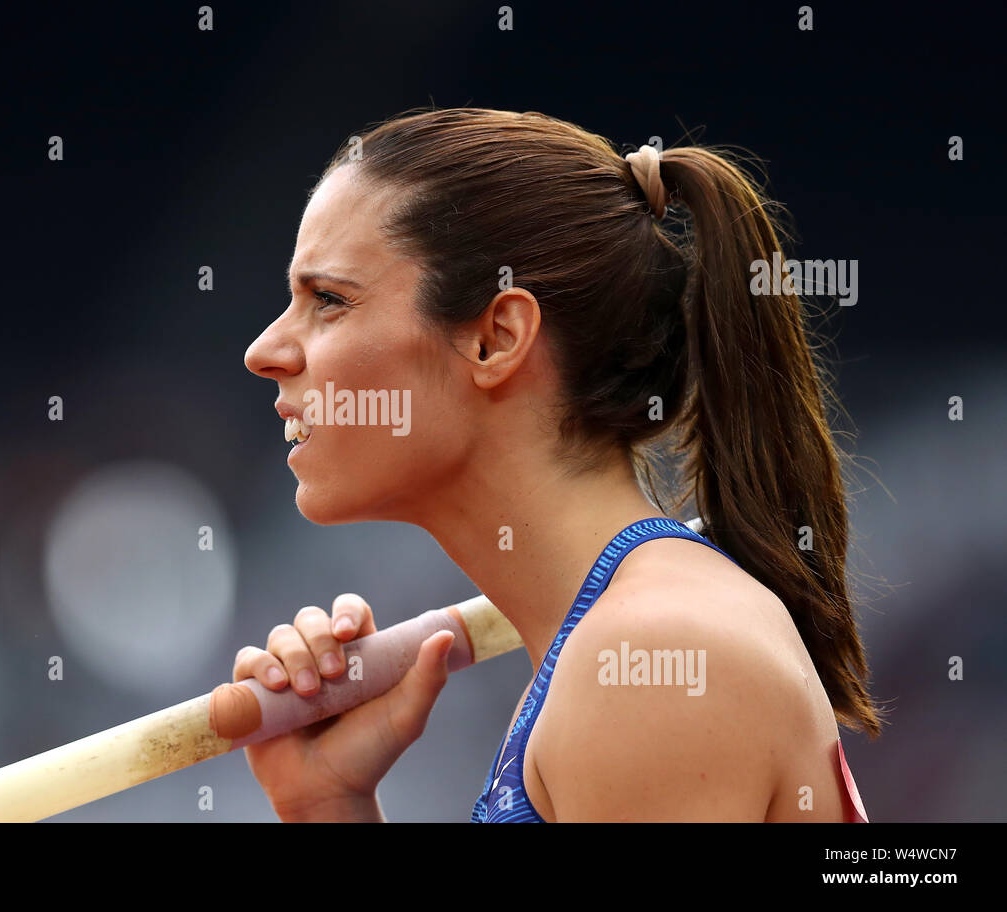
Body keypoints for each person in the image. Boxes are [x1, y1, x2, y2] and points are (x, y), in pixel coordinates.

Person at [238, 107, 879, 822]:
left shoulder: (652, 663)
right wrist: (328, 804)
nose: (264, 351)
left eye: (327, 300)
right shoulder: (617, 648)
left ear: (496, 338)